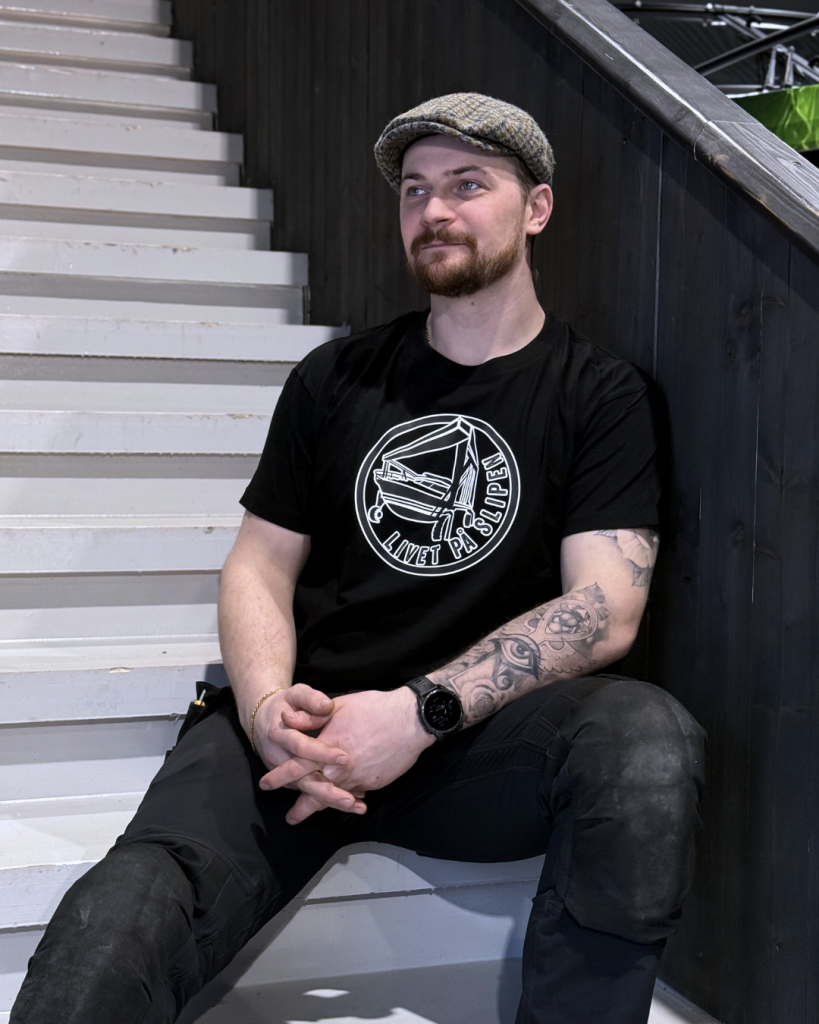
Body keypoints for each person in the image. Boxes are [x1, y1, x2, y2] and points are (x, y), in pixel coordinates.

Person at [11, 93, 705, 1024]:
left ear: (536, 208)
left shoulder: (600, 394)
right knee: (127, 905)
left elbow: (604, 611)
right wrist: (266, 710)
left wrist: (416, 713)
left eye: (467, 184)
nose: (435, 211)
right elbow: (258, 567)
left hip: (468, 744)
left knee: (644, 743)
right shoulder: (334, 379)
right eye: (415, 190)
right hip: (305, 727)